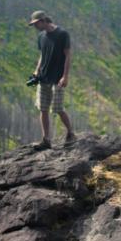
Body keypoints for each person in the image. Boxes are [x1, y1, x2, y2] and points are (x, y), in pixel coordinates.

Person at [28, 10, 76, 150]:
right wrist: (37, 70)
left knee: (58, 108)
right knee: (43, 109)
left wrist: (65, 76)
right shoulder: (41, 36)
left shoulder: (62, 34)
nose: (35, 27)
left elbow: (67, 55)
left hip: (57, 78)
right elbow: (43, 55)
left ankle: (71, 133)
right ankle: (46, 140)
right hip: (44, 78)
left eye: (36, 23)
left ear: (43, 21)